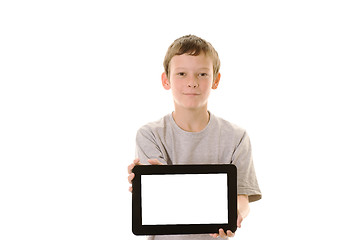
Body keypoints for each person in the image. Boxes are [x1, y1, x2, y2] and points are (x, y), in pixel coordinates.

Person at [127, 34, 261, 239]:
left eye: (202, 74)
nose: (192, 82)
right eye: (181, 73)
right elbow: (159, 203)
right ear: (166, 80)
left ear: (215, 80)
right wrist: (149, 186)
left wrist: (235, 213)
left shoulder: (236, 137)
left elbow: (241, 198)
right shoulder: (150, 134)